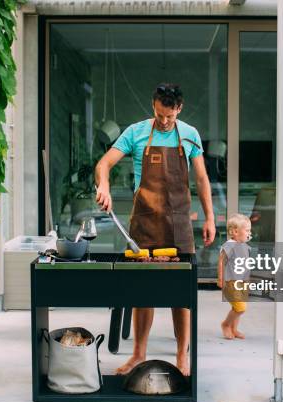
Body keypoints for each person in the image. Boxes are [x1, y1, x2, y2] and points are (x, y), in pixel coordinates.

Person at [95, 83, 216, 376]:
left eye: (169, 116)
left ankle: (181, 357)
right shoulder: (135, 132)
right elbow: (104, 163)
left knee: (181, 295)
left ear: (179, 109)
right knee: (142, 292)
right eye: (160, 115)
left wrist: (210, 218)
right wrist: (104, 185)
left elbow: (201, 179)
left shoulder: (189, 134)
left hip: (179, 224)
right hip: (145, 222)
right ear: (154, 106)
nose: (164, 122)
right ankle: (138, 354)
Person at [217, 213, 252, 340]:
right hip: (230, 282)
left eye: (250, 230)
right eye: (247, 230)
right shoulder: (229, 245)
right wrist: (220, 278)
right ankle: (226, 324)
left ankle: (234, 328)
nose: (249, 233)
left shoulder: (244, 245)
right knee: (240, 308)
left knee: (236, 306)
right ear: (235, 232)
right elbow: (221, 262)